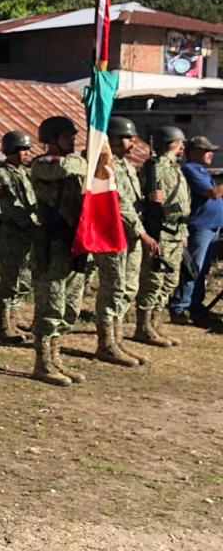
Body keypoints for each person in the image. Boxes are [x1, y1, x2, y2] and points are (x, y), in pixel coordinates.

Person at [92, 116, 159, 368]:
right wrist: (142, 233)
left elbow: (134, 200)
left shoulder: (127, 166)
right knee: (113, 287)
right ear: (115, 139)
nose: (133, 142)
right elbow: (119, 203)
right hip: (115, 233)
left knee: (128, 287)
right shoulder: (106, 165)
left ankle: (117, 339)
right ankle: (106, 344)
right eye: (128, 137)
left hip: (132, 235)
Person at [28, 116, 90, 386]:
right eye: (66, 137)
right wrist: (91, 161)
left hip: (73, 242)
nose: (72, 141)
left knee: (69, 306)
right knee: (50, 304)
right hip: (51, 243)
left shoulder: (77, 166)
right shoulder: (43, 164)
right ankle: (42, 363)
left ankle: (56, 359)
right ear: (51, 140)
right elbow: (63, 168)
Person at [133, 125, 190, 348]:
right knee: (153, 280)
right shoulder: (154, 167)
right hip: (161, 232)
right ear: (171, 144)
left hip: (176, 232)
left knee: (169, 281)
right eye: (180, 143)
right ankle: (144, 327)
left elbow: (183, 202)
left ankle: (156, 324)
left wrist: (183, 233)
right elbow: (142, 199)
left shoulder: (176, 168)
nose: (183, 147)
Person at [169, 135, 223, 328]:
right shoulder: (190, 169)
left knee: (202, 270)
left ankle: (195, 306)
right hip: (200, 227)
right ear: (194, 152)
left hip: (211, 227)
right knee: (193, 269)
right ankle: (179, 306)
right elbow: (213, 193)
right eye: (206, 151)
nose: (211, 154)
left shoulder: (201, 170)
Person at [0, 131, 37, 345]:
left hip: (27, 235)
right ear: (11, 151)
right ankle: (4, 326)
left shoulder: (26, 173)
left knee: (23, 279)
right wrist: (32, 222)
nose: (29, 153)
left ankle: (14, 321)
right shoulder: (3, 175)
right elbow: (10, 205)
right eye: (24, 149)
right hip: (13, 234)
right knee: (10, 280)